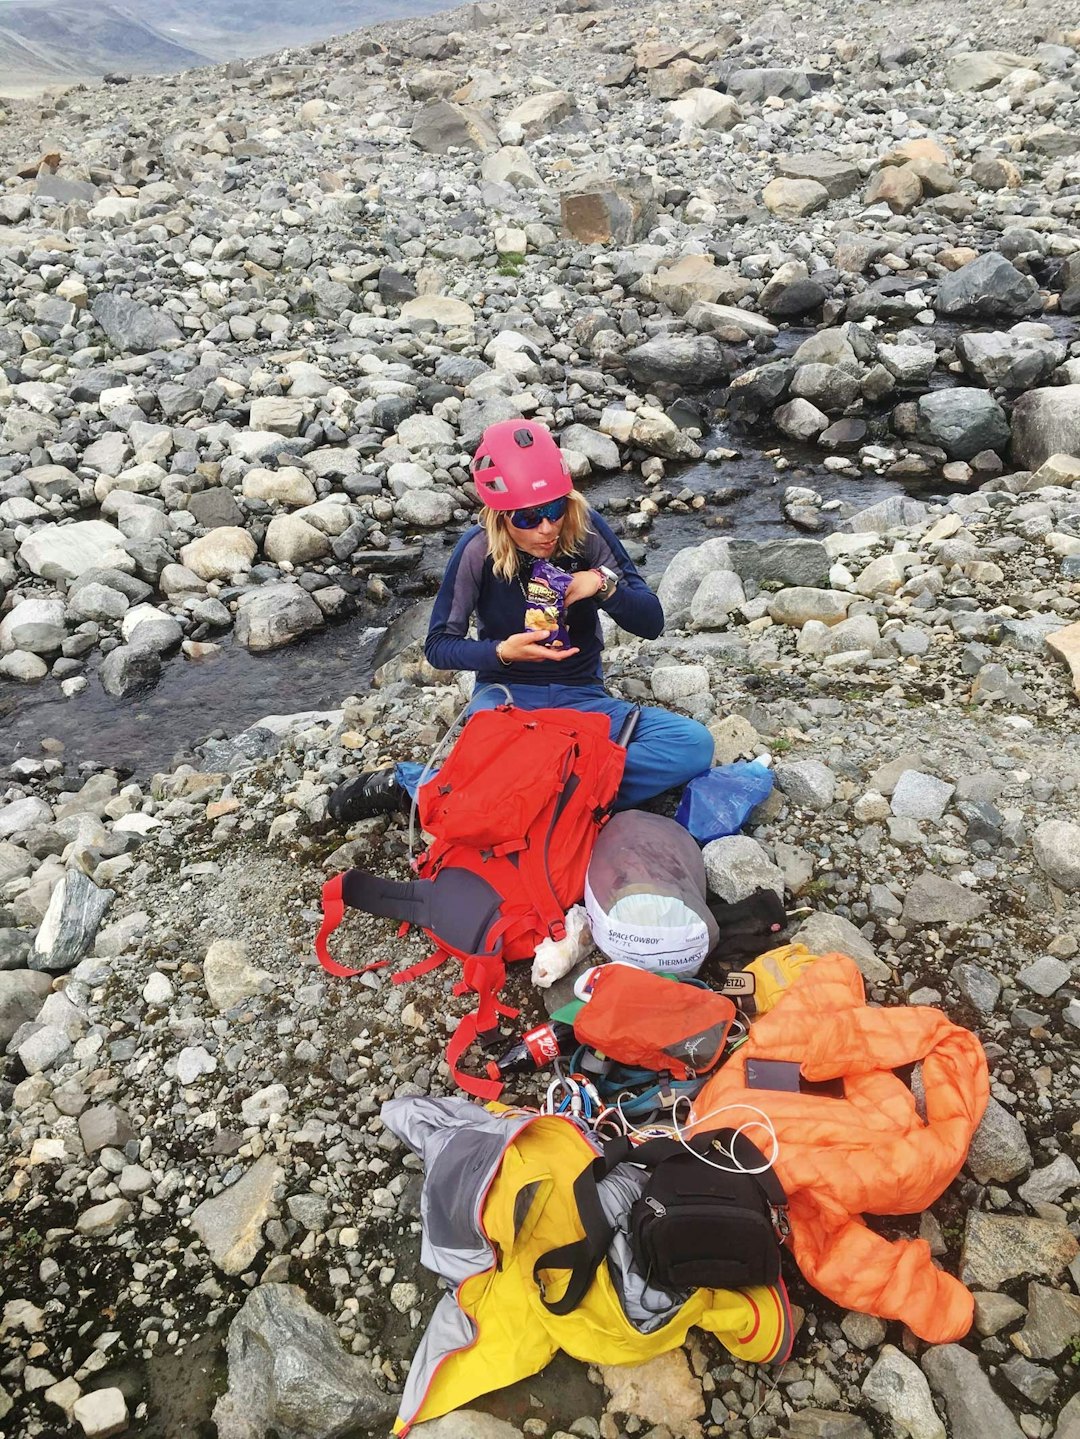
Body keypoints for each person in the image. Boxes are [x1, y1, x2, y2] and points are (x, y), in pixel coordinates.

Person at [329, 418, 714, 823]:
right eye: (528, 519)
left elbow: (651, 622)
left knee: (693, 745)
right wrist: (502, 652)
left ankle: (523, 796)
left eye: (554, 510)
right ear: (500, 516)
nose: (547, 529)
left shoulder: (586, 531)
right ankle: (408, 783)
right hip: (505, 698)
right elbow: (439, 647)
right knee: (510, 768)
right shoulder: (477, 550)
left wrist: (601, 584)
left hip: (582, 696)